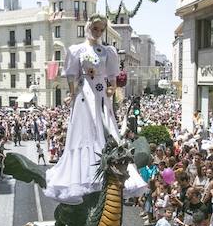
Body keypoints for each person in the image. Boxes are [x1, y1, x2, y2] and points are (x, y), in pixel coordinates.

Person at [43, 14, 145, 204]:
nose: (97, 32)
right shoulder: (76, 50)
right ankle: (83, 174)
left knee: (105, 127)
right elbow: (71, 75)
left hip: (100, 95)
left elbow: (113, 76)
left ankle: (108, 168)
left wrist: (112, 88)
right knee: (83, 132)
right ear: (88, 26)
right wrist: (72, 94)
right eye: (95, 28)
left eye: (101, 29)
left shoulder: (108, 51)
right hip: (83, 95)